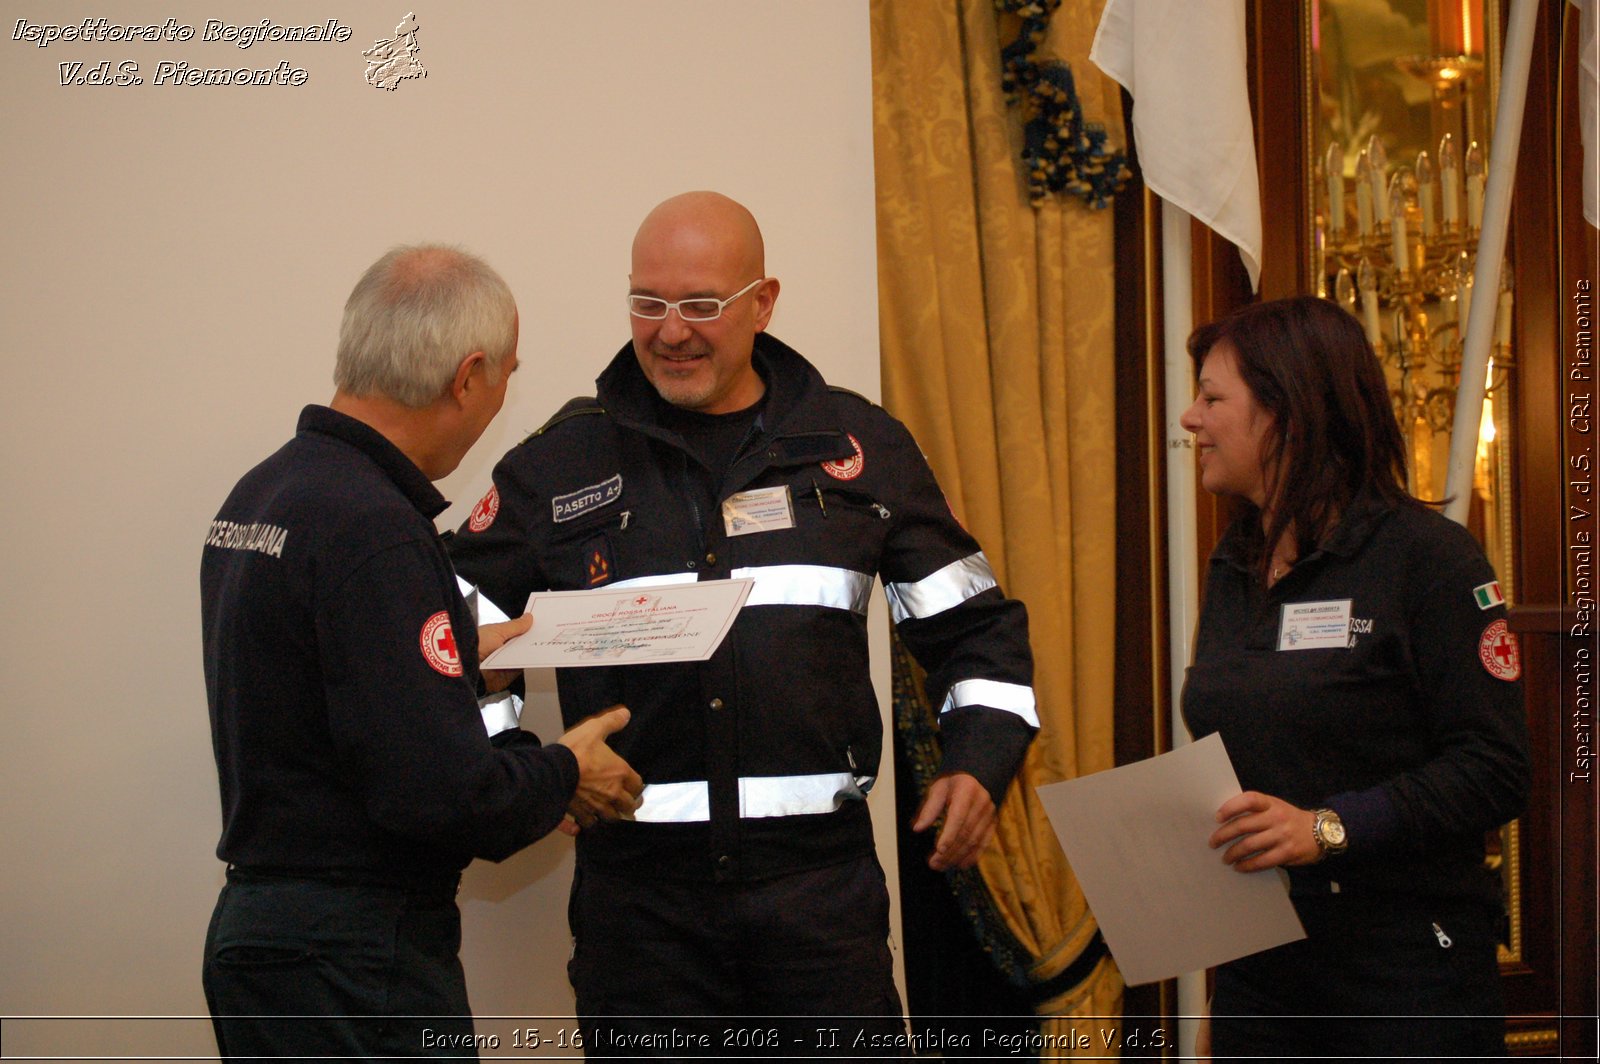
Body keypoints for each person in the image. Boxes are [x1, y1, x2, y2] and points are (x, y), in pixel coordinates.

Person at [447, 192, 1039, 1053]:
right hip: (640, 924)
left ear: (762, 303)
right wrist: (518, 767)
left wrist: (981, 760)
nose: (670, 331)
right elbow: (447, 638)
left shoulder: (858, 448)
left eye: (700, 305)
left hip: (820, 911)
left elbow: (973, 629)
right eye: (648, 303)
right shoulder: (561, 461)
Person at [200, 245, 644, 1061]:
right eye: (509, 374)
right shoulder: (376, 529)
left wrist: (452, 668)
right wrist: (563, 771)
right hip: (355, 958)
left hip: (267, 941)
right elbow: (444, 795)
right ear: (468, 376)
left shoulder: (266, 492)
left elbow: (317, 686)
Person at [1177, 296, 1531, 1059]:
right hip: (1263, 978)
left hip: (1402, 980)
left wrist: (1327, 829)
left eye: (1212, 397)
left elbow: (1495, 770)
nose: (1189, 418)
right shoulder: (1234, 562)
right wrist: (1224, 992)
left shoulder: (1430, 560)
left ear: (1288, 414)